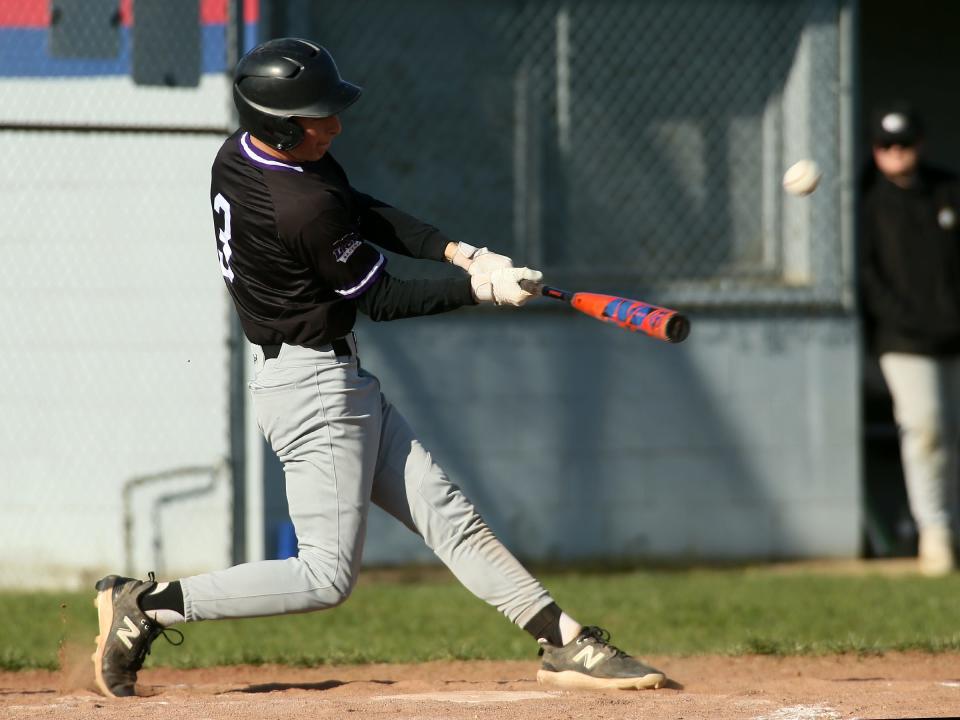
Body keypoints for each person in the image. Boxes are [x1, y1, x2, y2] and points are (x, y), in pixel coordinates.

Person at [91, 38, 667, 697]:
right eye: (317, 117)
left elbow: (359, 206)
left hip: (327, 379)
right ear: (278, 125)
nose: (333, 126)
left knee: (446, 513)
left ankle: (564, 642)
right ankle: (147, 605)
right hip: (314, 391)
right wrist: (482, 291)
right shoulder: (299, 210)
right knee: (323, 578)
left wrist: (460, 252)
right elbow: (384, 298)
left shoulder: (242, 157)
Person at [859, 104, 960, 576]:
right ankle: (935, 533)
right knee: (927, 429)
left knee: (949, 434)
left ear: (919, 145)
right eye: (885, 146)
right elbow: (869, 278)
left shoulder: (947, 190)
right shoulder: (868, 201)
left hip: (954, 336)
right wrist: (908, 320)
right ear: (875, 150)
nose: (895, 154)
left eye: (903, 144)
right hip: (903, 338)